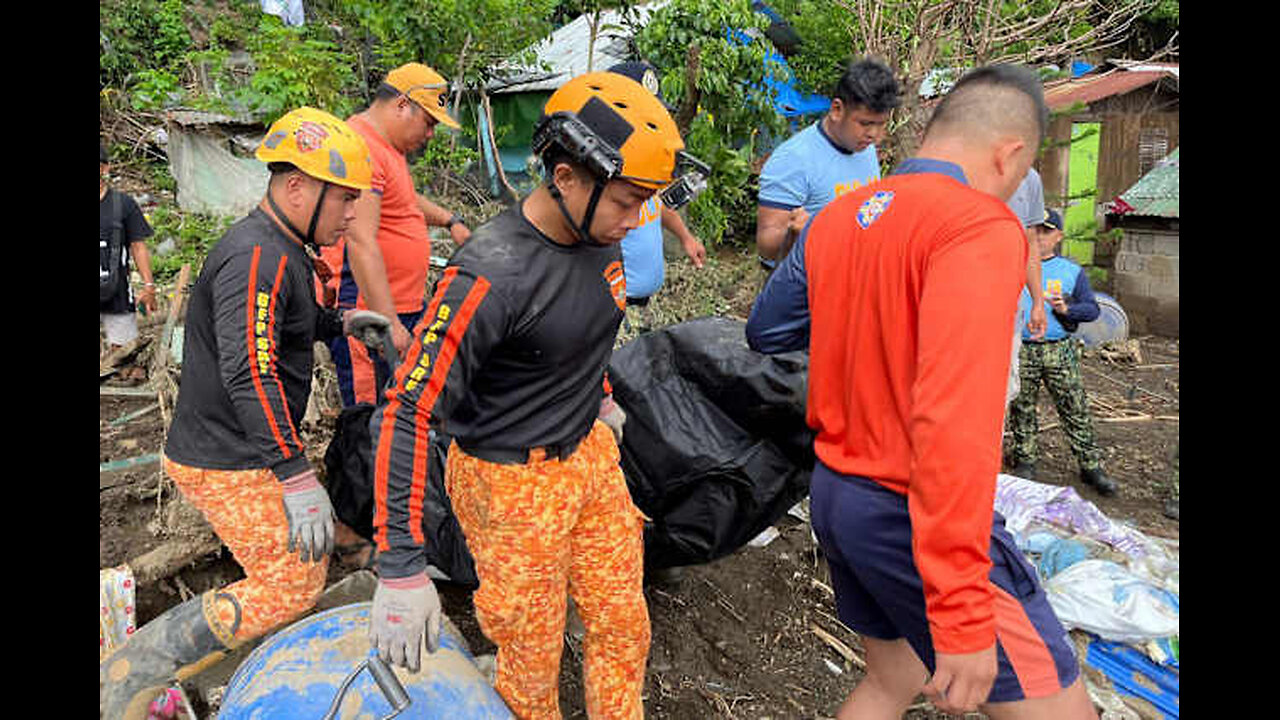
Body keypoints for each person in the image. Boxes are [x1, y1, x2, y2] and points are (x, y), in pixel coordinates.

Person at [746, 65, 1097, 719]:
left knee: (888, 684)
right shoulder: (978, 226)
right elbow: (953, 422)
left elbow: (768, 330)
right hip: (911, 509)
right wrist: (963, 612)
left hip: (836, 494)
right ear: (1010, 154)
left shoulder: (838, 216)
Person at [366, 71, 699, 719]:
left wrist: (600, 399)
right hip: (511, 484)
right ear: (567, 175)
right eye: (628, 201)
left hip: (590, 459)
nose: (636, 222)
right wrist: (401, 567)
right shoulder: (490, 275)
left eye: (645, 204)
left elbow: (579, 332)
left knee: (622, 627)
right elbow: (407, 410)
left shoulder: (601, 237)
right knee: (531, 659)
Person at [101, 107, 379, 717]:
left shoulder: (282, 248)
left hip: (243, 446)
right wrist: (296, 476)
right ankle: (134, 672)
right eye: (345, 199)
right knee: (293, 583)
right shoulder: (257, 256)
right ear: (299, 187)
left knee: (299, 561)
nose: (352, 212)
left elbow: (284, 325)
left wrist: (343, 322)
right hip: (224, 458)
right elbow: (248, 369)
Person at [320, 62, 473, 408]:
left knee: (395, 408)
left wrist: (451, 220)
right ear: (403, 104)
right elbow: (360, 241)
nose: (431, 133)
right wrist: (388, 322)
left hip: (398, 305)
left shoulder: (386, 148)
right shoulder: (363, 146)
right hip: (369, 315)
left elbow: (403, 199)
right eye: (429, 122)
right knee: (369, 415)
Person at [1007, 208, 1117, 496]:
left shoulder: (1071, 271)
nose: (1040, 237)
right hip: (1023, 349)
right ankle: (1026, 459)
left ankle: (1090, 465)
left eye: (1046, 231)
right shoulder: (1014, 265)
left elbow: (1092, 309)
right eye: (1035, 230)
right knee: (1022, 408)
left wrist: (1066, 308)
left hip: (1059, 351)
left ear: (1058, 236)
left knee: (1074, 407)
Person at [755, 57, 900, 268]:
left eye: (881, 124)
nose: (874, 135)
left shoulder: (864, 148)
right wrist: (798, 235)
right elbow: (766, 247)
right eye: (865, 123)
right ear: (837, 110)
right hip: (805, 284)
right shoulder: (793, 160)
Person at [607, 61, 706, 330]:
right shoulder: (603, 172)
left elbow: (657, 205)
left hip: (647, 303)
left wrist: (686, 238)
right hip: (616, 309)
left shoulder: (643, 162)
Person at [100, 141, 158, 380]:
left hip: (117, 289)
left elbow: (138, 246)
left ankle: (123, 372)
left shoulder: (122, 204)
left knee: (124, 353)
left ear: (104, 169)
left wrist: (149, 286)